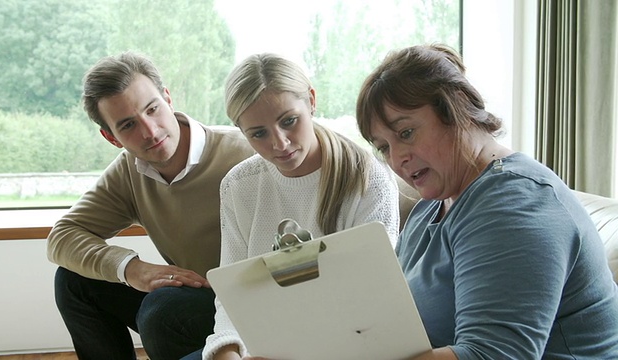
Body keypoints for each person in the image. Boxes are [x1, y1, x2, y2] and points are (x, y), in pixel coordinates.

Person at [355, 43, 618, 359]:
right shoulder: (431, 207)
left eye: (406, 133)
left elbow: (493, 355)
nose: (398, 158)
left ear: (456, 110)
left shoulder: (514, 203)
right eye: (383, 147)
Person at [183, 53, 405, 360]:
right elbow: (233, 293)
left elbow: (370, 304)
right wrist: (228, 350)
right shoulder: (239, 185)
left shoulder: (369, 179)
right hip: (262, 345)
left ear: (311, 101)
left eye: (289, 121)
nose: (280, 144)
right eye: (258, 133)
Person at [46, 51, 255, 360]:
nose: (150, 131)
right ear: (111, 137)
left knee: (163, 310)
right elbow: (62, 236)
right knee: (74, 281)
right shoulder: (128, 171)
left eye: (152, 109)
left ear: (167, 98)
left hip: (248, 304)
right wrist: (132, 269)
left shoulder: (245, 152)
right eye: (128, 125)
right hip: (194, 296)